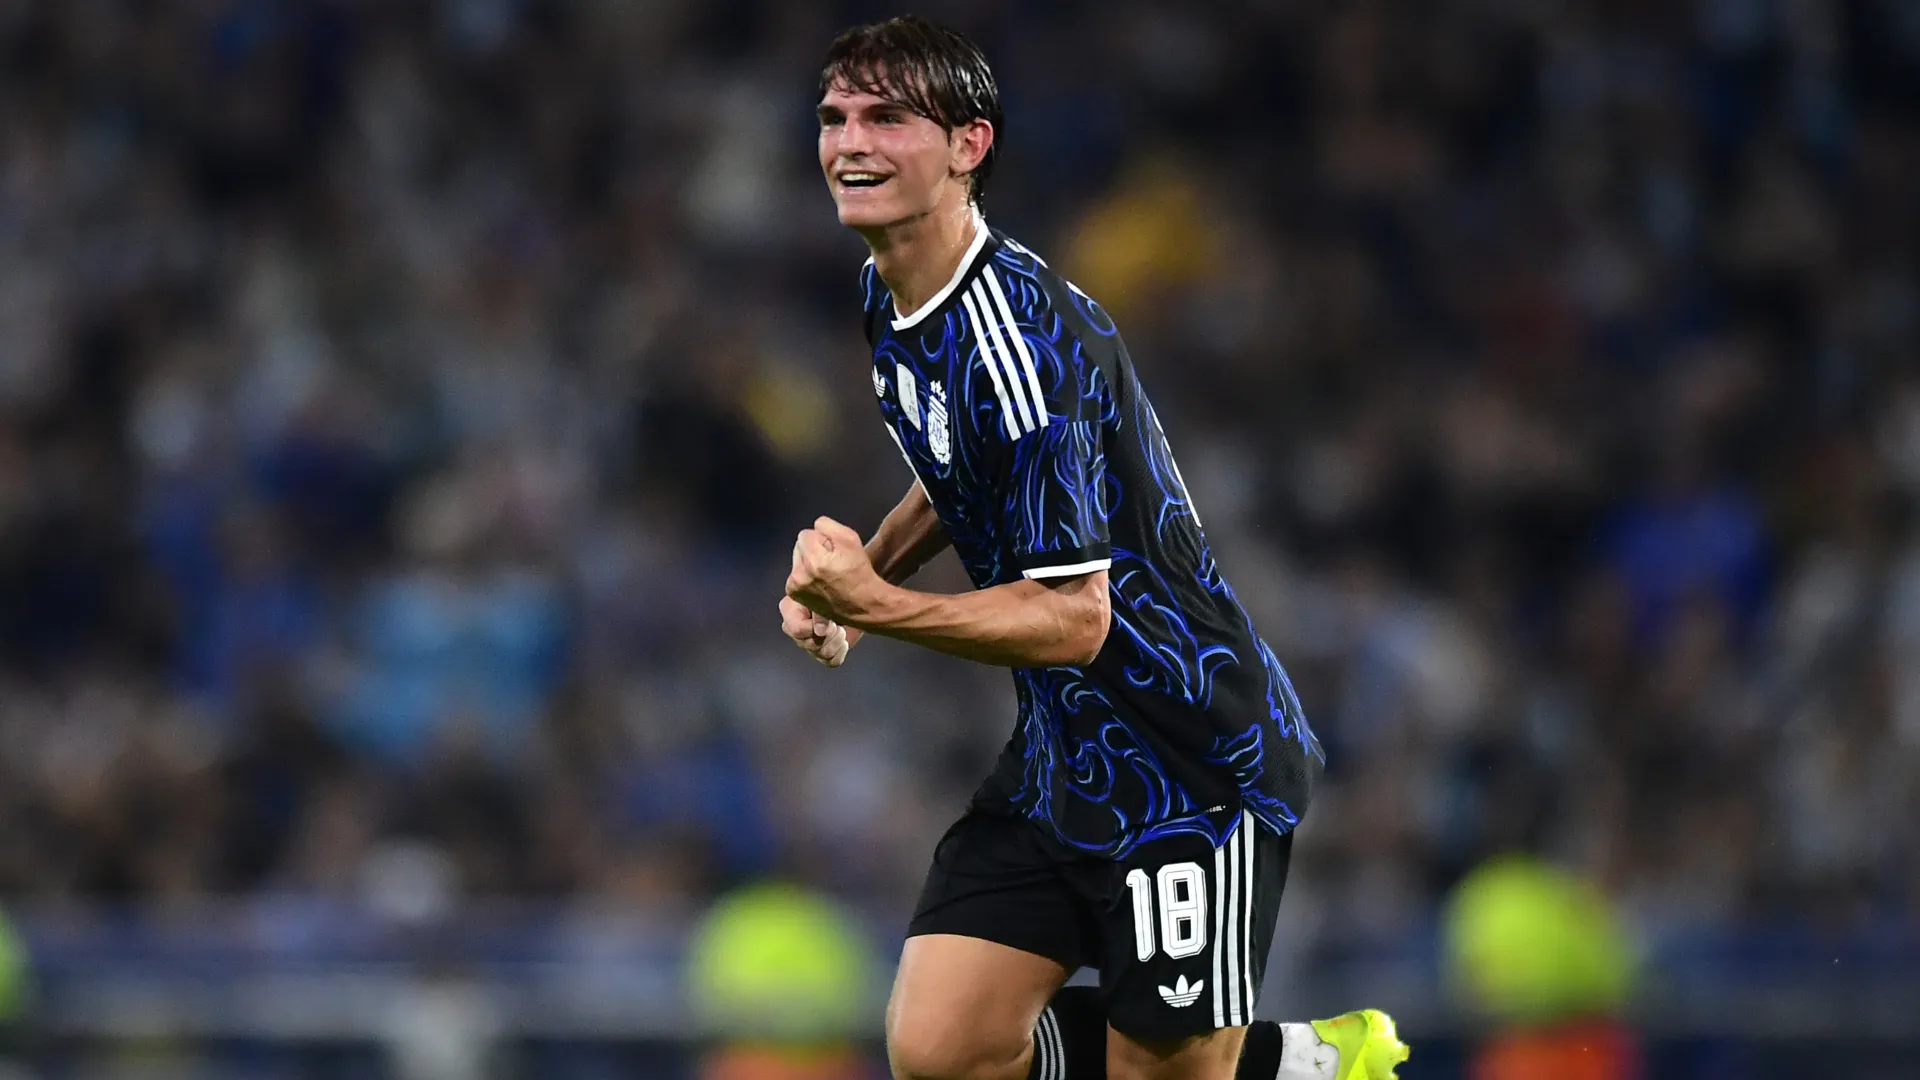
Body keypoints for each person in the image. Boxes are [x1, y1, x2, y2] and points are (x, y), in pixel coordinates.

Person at [779, 16, 1410, 1080]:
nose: (852, 142)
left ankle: (1298, 1064)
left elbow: (1075, 619)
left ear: (969, 145)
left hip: (1187, 760)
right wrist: (862, 578)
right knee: (944, 1051)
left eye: (888, 117)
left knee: (1157, 1075)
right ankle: (1267, 1061)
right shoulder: (893, 295)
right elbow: (962, 467)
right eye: (836, 117)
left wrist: (873, 609)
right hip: (1066, 753)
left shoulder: (1019, 335)